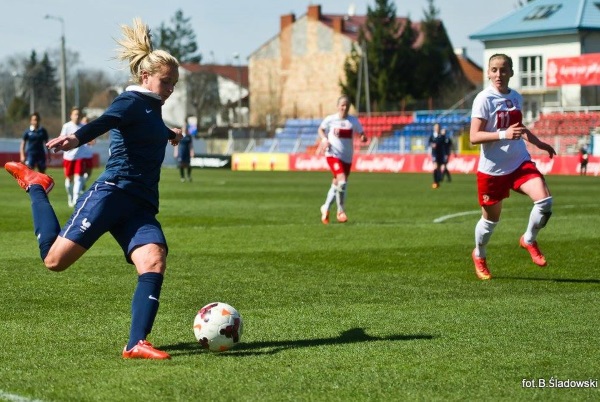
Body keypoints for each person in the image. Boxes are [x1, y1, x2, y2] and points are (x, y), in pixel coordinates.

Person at [4, 17, 182, 359]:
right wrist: (76, 136)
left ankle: (135, 343)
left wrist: (171, 134)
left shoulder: (152, 109)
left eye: (174, 83)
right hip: (112, 194)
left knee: (154, 259)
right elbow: (108, 121)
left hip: (141, 205)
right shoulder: (129, 102)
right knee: (54, 261)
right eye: (166, 81)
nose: (171, 88)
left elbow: (150, 131)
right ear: (146, 77)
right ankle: (36, 185)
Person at [470, 53, 556, 280]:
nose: (499, 74)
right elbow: (474, 136)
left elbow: (518, 128)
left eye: (504, 70)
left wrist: (539, 143)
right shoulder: (483, 99)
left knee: (545, 202)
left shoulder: (516, 97)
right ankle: (479, 254)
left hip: (519, 162)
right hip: (492, 170)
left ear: (511, 72)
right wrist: (503, 134)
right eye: (495, 70)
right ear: (488, 72)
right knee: (490, 222)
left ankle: (528, 239)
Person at [318, 95, 367, 224]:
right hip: (333, 155)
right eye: (342, 105)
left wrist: (363, 137)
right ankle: (340, 211)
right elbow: (321, 129)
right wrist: (324, 139)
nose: (344, 108)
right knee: (342, 181)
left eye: (347, 105)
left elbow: (361, 133)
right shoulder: (330, 119)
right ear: (338, 106)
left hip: (347, 157)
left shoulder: (353, 121)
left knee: (337, 183)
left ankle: (325, 207)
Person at [59, 107, 86, 207]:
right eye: (75, 114)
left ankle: (75, 198)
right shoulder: (66, 126)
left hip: (80, 156)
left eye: (78, 114)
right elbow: (61, 139)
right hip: (68, 157)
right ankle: (70, 197)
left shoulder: (84, 126)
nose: (77, 116)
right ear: (71, 115)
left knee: (78, 178)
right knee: (69, 180)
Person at [78, 115, 96, 191]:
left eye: (87, 121)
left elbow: (93, 142)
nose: (86, 122)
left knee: (89, 173)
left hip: (88, 154)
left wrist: (88, 140)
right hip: (80, 155)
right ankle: (80, 186)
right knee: (80, 173)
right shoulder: (79, 129)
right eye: (84, 121)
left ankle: (82, 184)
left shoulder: (90, 130)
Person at [428, 123, 445, 188]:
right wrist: (432, 144)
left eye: (438, 127)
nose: (437, 128)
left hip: (440, 153)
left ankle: (438, 181)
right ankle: (435, 182)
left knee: (439, 168)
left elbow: (442, 141)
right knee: (435, 167)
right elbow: (429, 142)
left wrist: (442, 136)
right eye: (436, 127)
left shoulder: (441, 136)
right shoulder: (432, 136)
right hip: (434, 153)